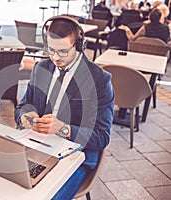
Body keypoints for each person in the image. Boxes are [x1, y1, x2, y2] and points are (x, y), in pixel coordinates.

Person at [14, 15, 114, 199]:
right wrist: (24, 117)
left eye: (63, 51)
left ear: (79, 45)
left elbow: (102, 137)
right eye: (51, 50)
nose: (55, 57)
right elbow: (21, 108)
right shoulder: (40, 68)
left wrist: (64, 129)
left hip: (76, 158)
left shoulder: (99, 80)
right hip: (37, 147)